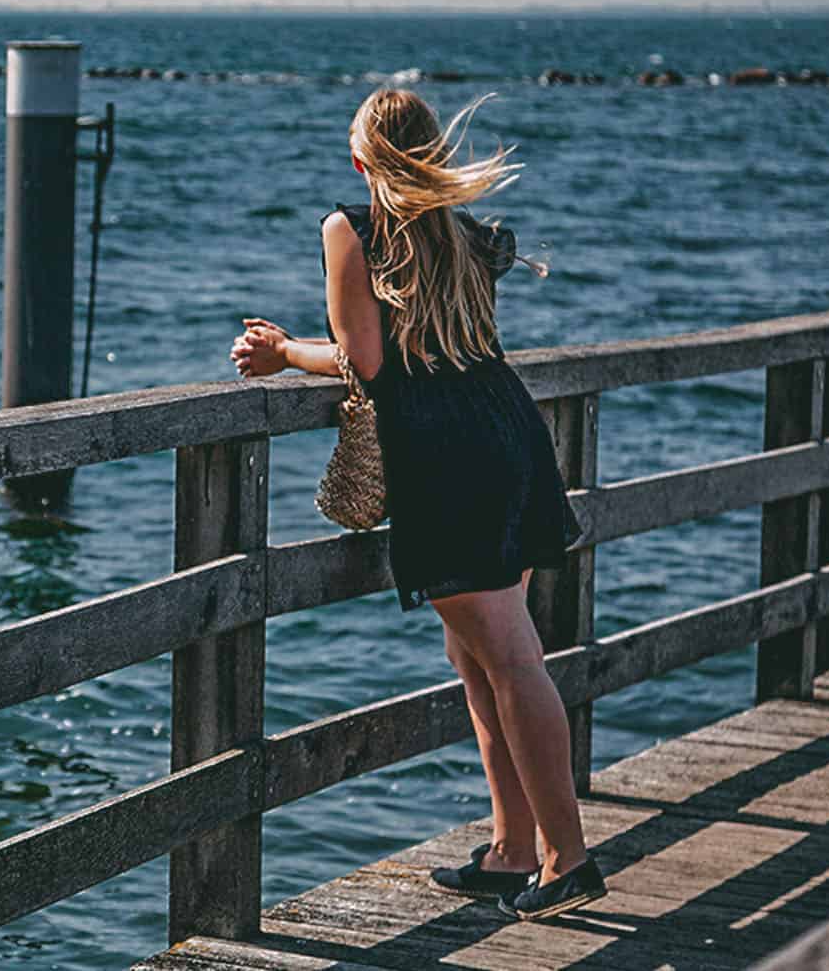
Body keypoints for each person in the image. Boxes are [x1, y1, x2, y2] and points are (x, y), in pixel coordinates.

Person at [229, 87, 606, 922]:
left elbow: (367, 360)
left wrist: (286, 350)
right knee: (476, 654)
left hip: (444, 456)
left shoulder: (350, 229)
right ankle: (513, 850)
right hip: (504, 429)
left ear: (363, 161)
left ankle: (566, 857)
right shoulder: (467, 234)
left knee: (509, 656)